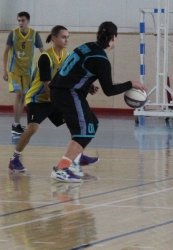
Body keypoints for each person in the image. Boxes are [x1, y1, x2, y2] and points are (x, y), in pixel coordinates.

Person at [48, 21, 146, 182]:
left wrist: (88, 83)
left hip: (61, 90)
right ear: (114, 38)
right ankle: (61, 169)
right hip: (68, 94)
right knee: (84, 132)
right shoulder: (101, 59)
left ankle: (75, 159)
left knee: (92, 123)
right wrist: (131, 84)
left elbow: (74, 68)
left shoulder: (87, 46)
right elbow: (109, 91)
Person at [8, 25, 100, 173]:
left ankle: (78, 155)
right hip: (38, 98)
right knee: (32, 128)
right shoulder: (46, 57)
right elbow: (47, 85)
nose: (66, 40)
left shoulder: (67, 56)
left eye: (68, 37)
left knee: (74, 122)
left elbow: (74, 76)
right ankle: (14, 159)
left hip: (54, 97)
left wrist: (89, 85)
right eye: (63, 37)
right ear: (54, 38)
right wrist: (60, 104)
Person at [2, 11, 44, 136]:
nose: (20, 23)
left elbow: (43, 51)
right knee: (19, 94)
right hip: (14, 71)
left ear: (28, 21)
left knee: (23, 97)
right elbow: (5, 52)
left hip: (27, 72)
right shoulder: (13, 34)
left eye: (23, 20)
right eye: (19, 20)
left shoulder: (34, 34)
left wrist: (49, 63)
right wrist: (4, 69)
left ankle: (17, 124)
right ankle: (15, 125)